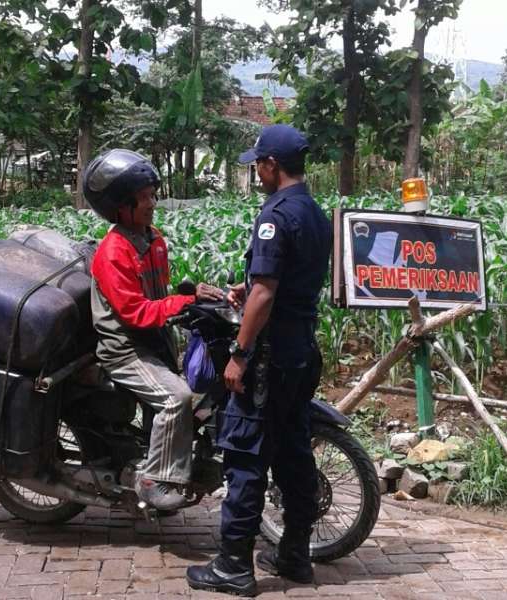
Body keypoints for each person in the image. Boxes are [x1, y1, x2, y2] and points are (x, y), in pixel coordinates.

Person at [186, 125, 332, 596]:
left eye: (258, 165)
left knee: (246, 457)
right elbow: (279, 285)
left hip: (268, 360)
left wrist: (240, 355)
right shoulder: (315, 213)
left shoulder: (276, 214)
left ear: (272, 165)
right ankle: (294, 555)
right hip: (301, 354)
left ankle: (233, 567)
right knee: (292, 452)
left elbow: (267, 292)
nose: (256, 173)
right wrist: (246, 291)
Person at [83, 149, 224, 511]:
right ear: (120, 206)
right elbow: (134, 312)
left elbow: (156, 293)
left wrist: (191, 295)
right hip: (125, 350)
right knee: (175, 399)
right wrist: (182, 305)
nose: (152, 203)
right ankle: (152, 480)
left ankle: (166, 460)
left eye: (152, 194)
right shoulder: (113, 251)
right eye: (143, 198)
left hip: (153, 343)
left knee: (198, 397)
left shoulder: (152, 239)